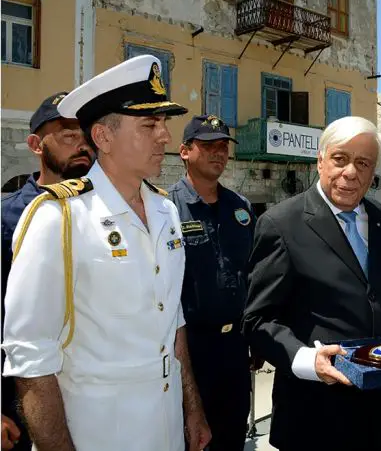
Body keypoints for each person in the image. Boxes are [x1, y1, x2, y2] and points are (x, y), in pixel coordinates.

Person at [1, 55, 211, 451]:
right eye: (150, 124)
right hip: (99, 434)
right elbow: (30, 356)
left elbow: (172, 318)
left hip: (165, 428)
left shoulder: (165, 210)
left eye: (164, 123)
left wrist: (192, 409)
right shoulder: (58, 217)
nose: (165, 136)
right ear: (103, 137)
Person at [241, 116, 381, 451]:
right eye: (340, 159)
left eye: (363, 163)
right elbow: (257, 320)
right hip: (313, 415)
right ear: (320, 160)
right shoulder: (281, 224)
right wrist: (307, 360)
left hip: (376, 412)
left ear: (373, 171)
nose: (350, 172)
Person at [1, 92, 96, 451]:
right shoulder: (7, 217)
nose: (82, 146)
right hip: (19, 399)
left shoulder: (106, 214)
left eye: (86, 137)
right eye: (69, 136)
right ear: (35, 144)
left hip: (90, 395)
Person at [168, 114, 257, 450]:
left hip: (235, 348)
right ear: (185, 152)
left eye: (223, 147)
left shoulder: (241, 208)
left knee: (231, 437)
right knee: (190, 440)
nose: (218, 153)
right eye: (207, 146)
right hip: (189, 351)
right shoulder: (168, 209)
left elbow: (253, 272)